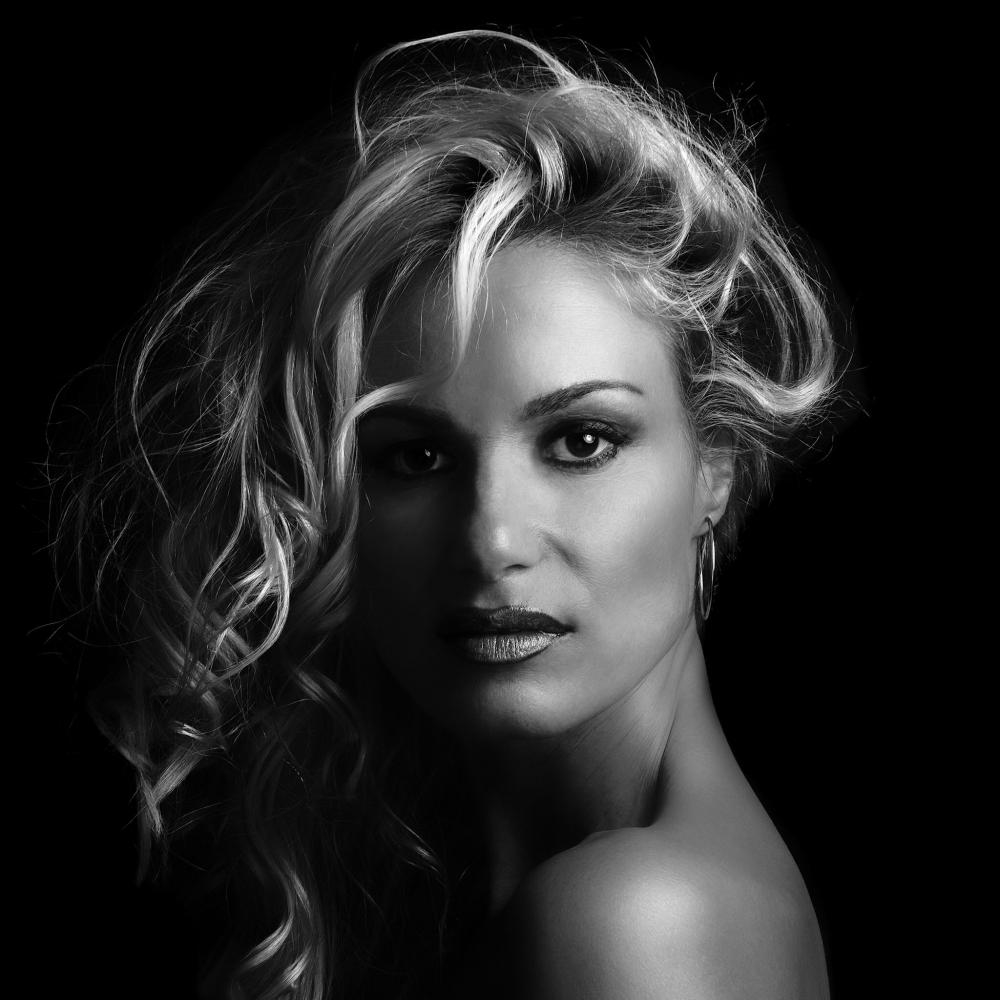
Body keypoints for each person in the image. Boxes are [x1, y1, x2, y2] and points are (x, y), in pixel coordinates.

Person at [57, 30, 838, 999]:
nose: (490, 540)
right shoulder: (509, 883)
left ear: (714, 465)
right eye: (415, 457)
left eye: (581, 441)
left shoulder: (632, 923)